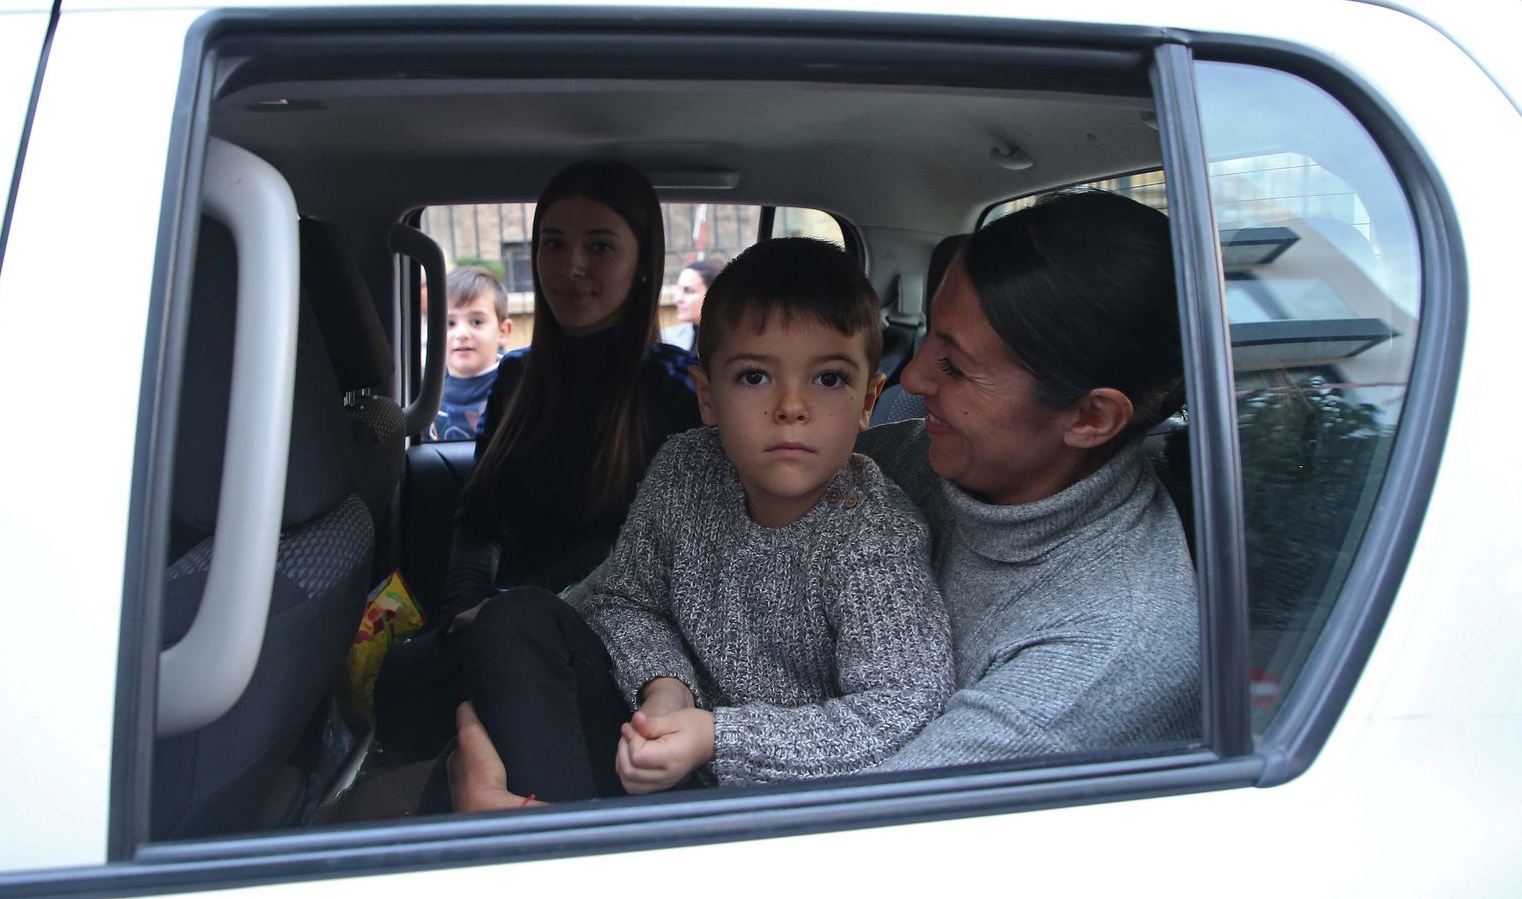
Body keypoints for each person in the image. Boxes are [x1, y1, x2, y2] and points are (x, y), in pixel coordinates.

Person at [446, 189, 1200, 807]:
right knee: (513, 629)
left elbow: (862, 845)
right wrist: (661, 683)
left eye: (958, 367)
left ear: (1091, 417)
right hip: (678, 745)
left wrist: (532, 846)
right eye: (928, 338)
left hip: (801, 835)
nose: (913, 381)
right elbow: (643, 576)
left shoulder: (1104, 651)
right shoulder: (916, 454)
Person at [447, 237, 951, 806]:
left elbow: (900, 712)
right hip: (658, 748)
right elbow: (625, 598)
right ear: (707, 396)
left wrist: (717, 737)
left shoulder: (874, 536)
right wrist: (666, 689)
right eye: (755, 377)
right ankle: (560, 834)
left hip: (774, 799)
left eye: (828, 378)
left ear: (868, 400)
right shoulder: (686, 470)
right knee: (514, 618)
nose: (791, 406)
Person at [374, 160, 703, 757]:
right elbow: (479, 516)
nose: (570, 267)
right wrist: (464, 610)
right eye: (553, 243)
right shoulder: (517, 379)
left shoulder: (676, 392)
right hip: (509, 620)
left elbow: (662, 557)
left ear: (643, 263)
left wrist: (517, 611)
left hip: (626, 637)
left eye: (599, 246)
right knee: (401, 680)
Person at [429, 266, 512, 442]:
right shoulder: (424, 393)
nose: (461, 334)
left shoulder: (516, 388)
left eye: (476, 321)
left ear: (503, 331)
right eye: (450, 323)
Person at [660, 256, 725, 352]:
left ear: (713, 295)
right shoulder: (669, 338)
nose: (678, 299)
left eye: (688, 291)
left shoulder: (730, 343)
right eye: (679, 290)